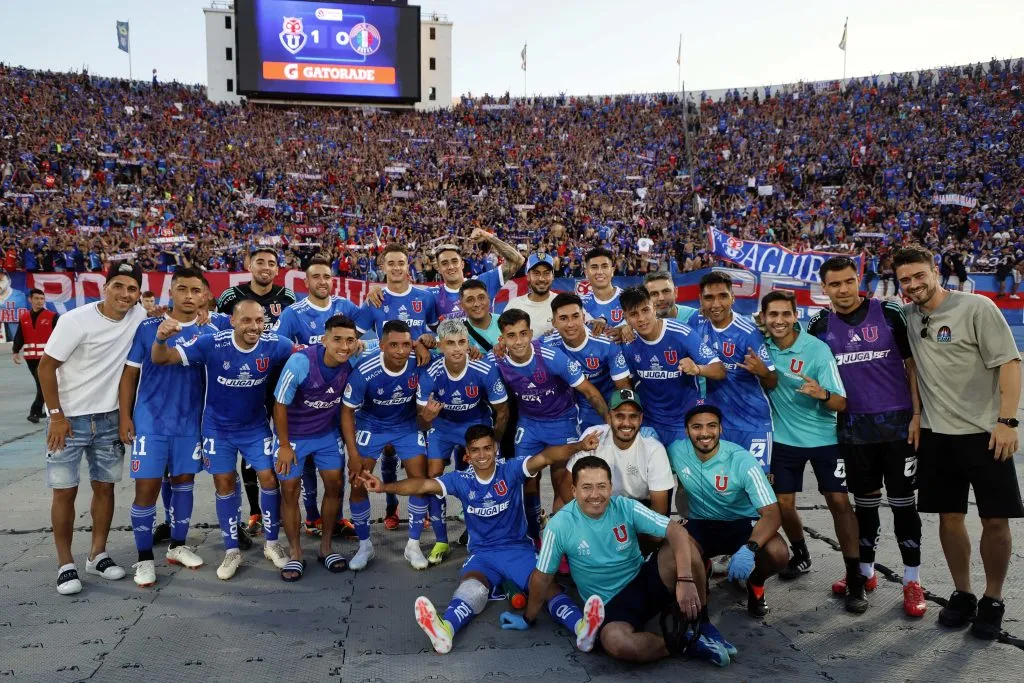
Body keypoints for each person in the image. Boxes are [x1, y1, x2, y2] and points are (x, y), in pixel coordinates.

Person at [359, 426, 605, 654]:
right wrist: (383, 488)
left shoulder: (511, 469)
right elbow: (422, 485)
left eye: (487, 448)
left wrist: (579, 446)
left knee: (544, 586)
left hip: (517, 550)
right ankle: (445, 631)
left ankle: (581, 627)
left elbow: (547, 456)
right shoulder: (461, 480)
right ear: (467, 454)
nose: (482, 455)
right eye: (475, 450)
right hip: (483, 554)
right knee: (471, 588)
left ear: (495, 448)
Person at [895, 246, 1023, 639]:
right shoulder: (908, 317)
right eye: (905, 280)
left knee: (995, 518)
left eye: (920, 275)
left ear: (936, 271)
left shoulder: (977, 308)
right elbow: (912, 367)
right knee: (949, 517)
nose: (914, 284)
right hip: (936, 436)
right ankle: (964, 593)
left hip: (985, 434)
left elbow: (1009, 362)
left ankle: (994, 599)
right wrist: (917, 415)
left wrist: (1007, 421)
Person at [526, 457, 730, 666]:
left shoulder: (625, 506)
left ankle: (702, 623)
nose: (595, 495)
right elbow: (542, 577)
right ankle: (684, 641)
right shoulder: (559, 525)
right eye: (587, 487)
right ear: (574, 490)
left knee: (685, 542)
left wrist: (685, 580)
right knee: (616, 643)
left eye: (601, 486)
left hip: (642, 580)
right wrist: (528, 618)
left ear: (611, 487)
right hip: (609, 603)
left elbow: (675, 530)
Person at [809, 256, 927, 618]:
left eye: (848, 282)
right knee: (866, 506)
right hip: (853, 429)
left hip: (896, 426)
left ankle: (912, 580)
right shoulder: (818, 325)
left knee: (904, 504)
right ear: (824, 288)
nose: (843, 290)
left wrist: (917, 415)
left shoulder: (890, 313)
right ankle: (866, 572)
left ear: (857, 279)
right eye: (834, 284)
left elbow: (912, 366)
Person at [150, 298, 295, 580]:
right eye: (247, 320)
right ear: (232, 321)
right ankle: (231, 550)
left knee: (269, 477)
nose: (254, 327)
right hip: (217, 428)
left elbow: (307, 355)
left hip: (255, 427)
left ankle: (272, 543)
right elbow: (161, 358)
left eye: (259, 321)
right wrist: (159, 339)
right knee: (224, 482)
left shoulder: (276, 344)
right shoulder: (211, 344)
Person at [38, 262, 147, 595]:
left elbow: (170, 320)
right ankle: (65, 564)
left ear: (138, 293)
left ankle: (97, 554)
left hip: (110, 418)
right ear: (105, 286)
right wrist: (56, 415)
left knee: (105, 489)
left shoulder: (139, 317)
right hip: (68, 421)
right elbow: (46, 367)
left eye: (131, 288)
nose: (124, 294)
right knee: (65, 491)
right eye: (118, 285)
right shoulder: (75, 320)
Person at [759, 290, 866, 613]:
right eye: (772, 315)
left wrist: (821, 394)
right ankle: (801, 553)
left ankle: (855, 577)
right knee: (782, 504)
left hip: (824, 438)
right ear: (763, 319)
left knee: (838, 502)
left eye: (785, 314)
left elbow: (841, 402)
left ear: (795, 317)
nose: (779, 320)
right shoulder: (762, 351)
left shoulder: (817, 350)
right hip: (783, 441)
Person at [118, 267, 216, 586]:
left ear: (204, 295)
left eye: (195, 291)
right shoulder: (148, 327)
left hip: (190, 423)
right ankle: (144, 559)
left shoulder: (212, 328)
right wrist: (125, 416)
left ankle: (177, 545)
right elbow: (130, 374)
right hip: (150, 422)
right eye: (182, 289)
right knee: (145, 488)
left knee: (184, 483)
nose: (189, 296)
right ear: (171, 291)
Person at [491, 308, 610, 539]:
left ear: (531, 333)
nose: (518, 341)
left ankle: (566, 536)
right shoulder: (496, 359)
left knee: (562, 482)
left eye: (523, 334)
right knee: (526, 479)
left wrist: (610, 423)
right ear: (502, 339)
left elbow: (589, 391)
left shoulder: (551, 357)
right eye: (511, 335)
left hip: (562, 421)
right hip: (529, 424)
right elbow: (465, 359)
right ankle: (534, 537)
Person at [667, 405, 788, 619]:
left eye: (711, 426)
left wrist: (750, 548)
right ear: (686, 431)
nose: (704, 433)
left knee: (778, 554)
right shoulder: (676, 451)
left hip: (741, 523)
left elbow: (772, 512)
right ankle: (701, 568)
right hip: (700, 523)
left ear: (721, 429)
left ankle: (755, 582)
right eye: (697, 427)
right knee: (671, 552)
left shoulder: (742, 460)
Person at [273, 257, 360, 537]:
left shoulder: (345, 306)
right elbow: (277, 351)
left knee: (333, 474)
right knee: (304, 469)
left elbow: (369, 335)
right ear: (306, 282)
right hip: (301, 402)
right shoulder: (292, 313)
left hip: (332, 408)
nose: (323, 281)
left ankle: (331, 521)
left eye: (327, 276)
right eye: (316, 277)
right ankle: (311, 517)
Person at [272, 315, 365, 581]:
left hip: (326, 434)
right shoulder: (301, 362)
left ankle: (326, 548)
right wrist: (285, 445)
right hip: (294, 436)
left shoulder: (356, 357)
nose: (344, 346)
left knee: (335, 485)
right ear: (324, 339)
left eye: (350, 340)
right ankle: (295, 552)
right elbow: (280, 404)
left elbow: (390, 345)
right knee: (289, 490)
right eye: (337, 339)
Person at [354, 244, 438, 526]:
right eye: (391, 263)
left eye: (401, 262)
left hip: (418, 375)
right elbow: (353, 338)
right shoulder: (375, 300)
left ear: (408, 265)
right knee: (388, 450)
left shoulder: (425, 297)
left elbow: (436, 335)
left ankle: (420, 510)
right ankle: (391, 509)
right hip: (387, 377)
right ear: (383, 267)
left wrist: (425, 341)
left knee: (417, 444)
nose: (397, 267)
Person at [216, 248, 296, 539]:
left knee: (287, 446)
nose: (265, 267)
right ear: (249, 265)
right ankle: (254, 512)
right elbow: (215, 330)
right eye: (260, 261)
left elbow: (293, 338)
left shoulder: (287, 299)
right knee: (251, 452)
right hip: (245, 385)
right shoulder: (230, 297)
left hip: (281, 385)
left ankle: (288, 511)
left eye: (271, 263)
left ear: (278, 269)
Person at [417, 319, 509, 564]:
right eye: (450, 343)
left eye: (462, 342)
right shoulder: (430, 373)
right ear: (440, 346)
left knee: (486, 477)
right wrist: (426, 417)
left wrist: (495, 442)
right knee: (434, 477)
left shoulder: (484, 368)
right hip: (443, 427)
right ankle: (441, 540)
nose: (457, 348)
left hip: (476, 425)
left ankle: (480, 535)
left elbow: (502, 410)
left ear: (468, 344)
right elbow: (422, 423)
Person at [342, 320, 429, 570]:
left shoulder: (419, 360)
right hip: (372, 425)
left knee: (419, 479)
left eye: (405, 344)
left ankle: (413, 545)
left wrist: (425, 342)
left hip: (406, 424)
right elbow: (347, 412)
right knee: (357, 480)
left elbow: (445, 347)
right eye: (393, 345)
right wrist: (353, 453)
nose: (401, 351)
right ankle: (364, 545)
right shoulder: (364, 372)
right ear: (382, 345)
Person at [619, 286, 724, 445]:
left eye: (645, 310)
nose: (641, 318)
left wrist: (697, 369)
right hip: (648, 423)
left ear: (654, 308)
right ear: (625, 317)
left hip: (682, 423)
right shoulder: (628, 343)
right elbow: (629, 385)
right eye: (633, 314)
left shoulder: (681, 333)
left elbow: (720, 370)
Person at [694, 272, 777, 471]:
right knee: (722, 486)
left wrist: (763, 372)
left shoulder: (748, 332)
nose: (716, 304)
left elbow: (773, 381)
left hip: (752, 423)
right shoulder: (696, 324)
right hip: (717, 424)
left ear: (733, 297)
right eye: (709, 298)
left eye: (723, 296)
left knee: (758, 487)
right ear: (701, 300)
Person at [369, 228, 524, 320]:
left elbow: (517, 260)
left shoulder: (483, 283)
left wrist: (489, 237)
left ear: (462, 264)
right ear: (438, 268)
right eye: (444, 263)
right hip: (451, 363)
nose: (450, 267)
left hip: (485, 359)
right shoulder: (432, 295)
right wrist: (377, 290)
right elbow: (402, 299)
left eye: (454, 261)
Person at [565, 389, 674, 516]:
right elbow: (567, 485)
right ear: (609, 418)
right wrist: (581, 520)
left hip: (640, 510)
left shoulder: (654, 449)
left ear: (641, 419)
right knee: (562, 513)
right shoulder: (593, 436)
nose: (626, 423)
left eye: (633, 416)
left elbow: (659, 509)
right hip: (602, 505)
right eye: (619, 416)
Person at [545, 292, 632, 431]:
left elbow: (624, 387)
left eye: (575, 316)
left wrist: (622, 417)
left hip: (609, 402)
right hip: (570, 408)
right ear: (554, 322)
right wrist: (502, 347)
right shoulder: (547, 344)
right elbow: (521, 349)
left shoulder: (607, 342)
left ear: (584, 317)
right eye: (563, 318)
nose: (571, 324)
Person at [13, 288, 57, 423]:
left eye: (42, 299)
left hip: (47, 358)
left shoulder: (52, 316)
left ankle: (35, 411)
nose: (39, 301)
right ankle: (43, 410)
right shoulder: (24, 317)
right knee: (42, 384)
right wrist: (15, 351)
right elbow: (20, 335)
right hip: (31, 358)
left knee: (43, 384)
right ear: (30, 299)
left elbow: (60, 335)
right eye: (37, 298)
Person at [504, 253, 559, 337]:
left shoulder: (562, 303)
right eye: (536, 273)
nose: (541, 278)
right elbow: (504, 338)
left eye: (546, 273)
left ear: (553, 276)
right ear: (528, 276)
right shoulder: (514, 305)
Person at [580, 247, 624, 327]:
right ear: (586, 272)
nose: (600, 272)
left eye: (604, 266)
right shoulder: (580, 304)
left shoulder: (628, 300)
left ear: (612, 271)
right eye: (594, 267)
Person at [459, 279, 502, 354]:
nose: (477, 304)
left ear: (489, 300)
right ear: (462, 305)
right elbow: (437, 346)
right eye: (470, 300)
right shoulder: (458, 333)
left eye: (481, 298)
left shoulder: (505, 322)